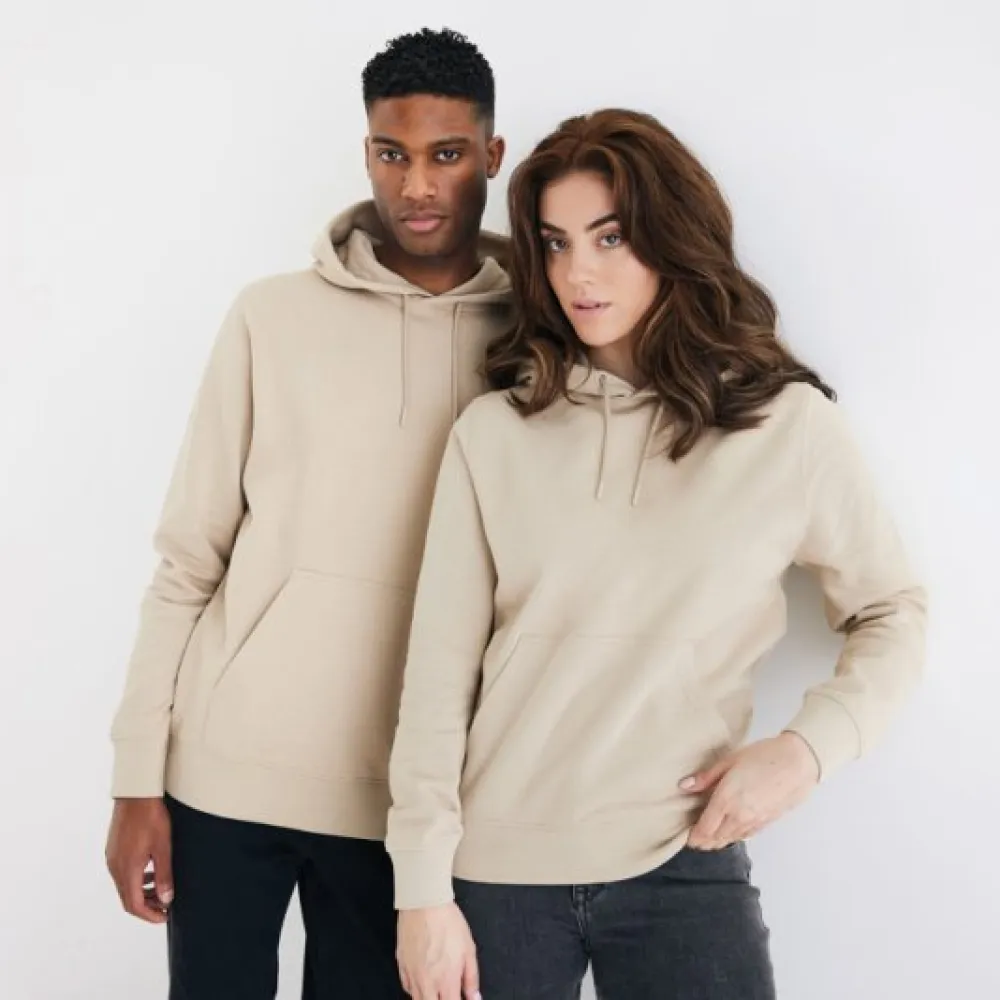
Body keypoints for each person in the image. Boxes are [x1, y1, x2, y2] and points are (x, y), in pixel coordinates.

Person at [387, 108, 927, 1000]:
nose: (578, 273)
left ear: (673, 239)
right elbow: (437, 680)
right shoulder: (495, 433)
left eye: (611, 237)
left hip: (685, 858)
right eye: (555, 244)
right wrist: (421, 893)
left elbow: (893, 613)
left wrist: (805, 751)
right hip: (495, 875)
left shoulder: (785, 428)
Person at [104, 28, 511, 1000]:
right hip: (224, 777)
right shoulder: (270, 317)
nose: (417, 184)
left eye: (448, 155)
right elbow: (188, 559)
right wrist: (135, 777)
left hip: (405, 806)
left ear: (493, 155)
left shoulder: (537, 335)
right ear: (366, 150)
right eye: (392, 153)